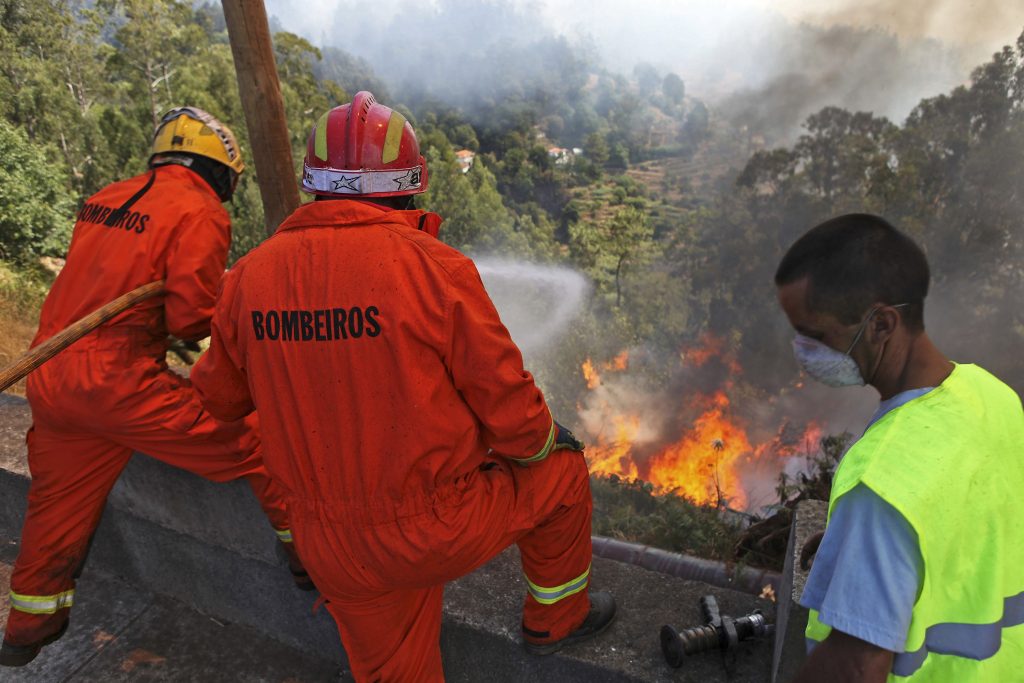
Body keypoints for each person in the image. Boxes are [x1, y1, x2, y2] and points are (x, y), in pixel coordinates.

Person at [189, 91, 616, 681]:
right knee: (562, 473)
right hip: (429, 529)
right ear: (407, 187)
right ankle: (556, 619)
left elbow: (220, 400)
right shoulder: (434, 270)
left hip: (328, 544)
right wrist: (544, 445)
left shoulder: (249, 278)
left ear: (315, 184)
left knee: (396, 672)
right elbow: (511, 410)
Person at [0, 107, 305, 668]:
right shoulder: (201, 210)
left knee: (56, 507)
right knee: (258, 437)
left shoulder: (107, 195)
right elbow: (192, 316)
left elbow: (112, 282)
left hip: (53, 371)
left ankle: (27, 627)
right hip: (116, 382)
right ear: (221, 171)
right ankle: (306, 556)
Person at [774, 214, 1024, 682]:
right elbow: (977, 516)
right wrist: (864, 547)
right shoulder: (994, 396)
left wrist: (874, 527)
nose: (802, 350)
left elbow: (855, 667)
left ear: (881, 324)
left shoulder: (881, 484)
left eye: (814, 334)